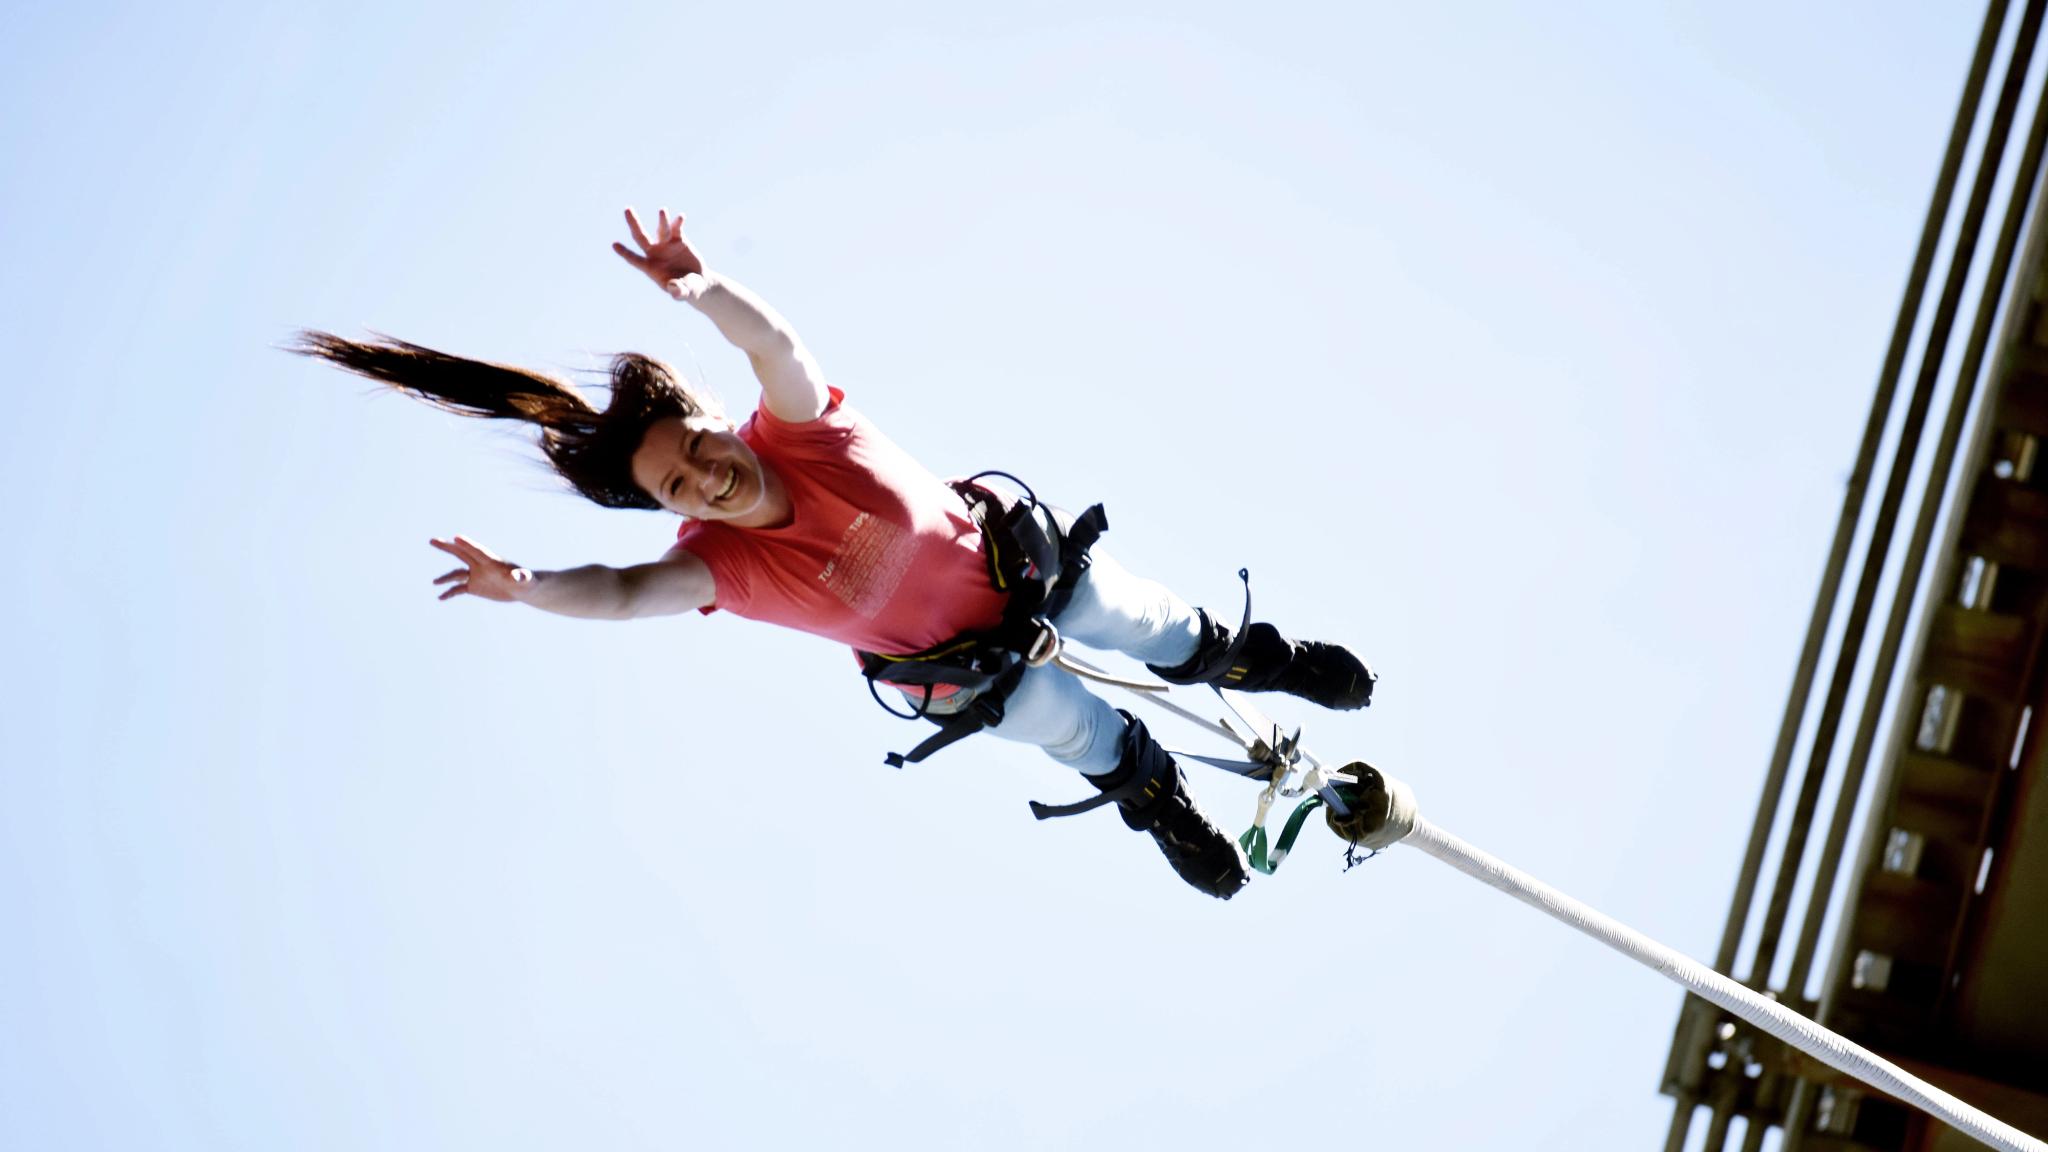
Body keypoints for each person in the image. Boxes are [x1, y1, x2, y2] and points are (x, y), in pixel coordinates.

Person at [294, 206, 1374, 900]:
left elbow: (775, 346)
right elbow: (620, 594)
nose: (707, 478)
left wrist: (701, 289)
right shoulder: (717, 566)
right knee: (1066, 727)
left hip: (1022, 573)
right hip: (967, 668)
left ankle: (1253, 658)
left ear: (716, 422)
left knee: (1139, 622)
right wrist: (527, 586)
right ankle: (1157, 799)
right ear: (670, 508)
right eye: (678, 487)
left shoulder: (800, 430)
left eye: (699, 449)